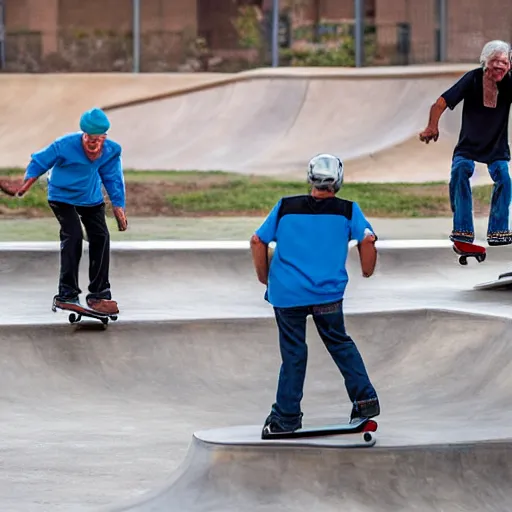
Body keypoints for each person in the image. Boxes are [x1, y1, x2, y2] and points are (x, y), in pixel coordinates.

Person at [250, 153, 380, 438]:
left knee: (294, 353)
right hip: (327, 296)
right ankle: (365, 400)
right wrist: (367, 270)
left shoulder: (285, 206)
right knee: (340, 343)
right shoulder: (348, 210)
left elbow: (257, 240)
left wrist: (264, 277)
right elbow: (367, 238)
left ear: (310, 178)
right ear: (339, 181)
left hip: (286, 295)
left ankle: (286, 418)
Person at [0, 107, 127, 315]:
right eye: (89, 138)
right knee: (73, 235)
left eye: (99, 139)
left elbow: (112, 177)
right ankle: (66, 294)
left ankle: (99, 295)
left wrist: (119, 206)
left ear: (104, 137)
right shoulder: (65, 145)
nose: (94, 143)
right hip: (61, 196)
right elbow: (40, 161)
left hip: (90, 198)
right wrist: (23, 186)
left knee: (101, 237)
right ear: (83, 135)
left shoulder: (112, 150)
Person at [419, 40, 512, 246]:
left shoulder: (509, 83)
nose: (499, 66)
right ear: (484, 62)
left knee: (505, 179)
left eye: (504, 62)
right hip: (468, 146)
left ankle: (498, 231)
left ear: (510, 66)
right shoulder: (472, 79)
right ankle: (463, 230)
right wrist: (431, 126)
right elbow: (441, 102)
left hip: (496, 148)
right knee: (459, 171)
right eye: (495, 61)